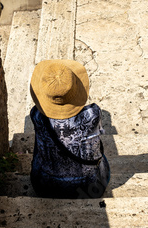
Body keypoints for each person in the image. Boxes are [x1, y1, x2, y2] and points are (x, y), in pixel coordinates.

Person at [29, 59, 110, 198]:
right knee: (102, 159)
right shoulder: (93, 114)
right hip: (89, 186)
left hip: (45, 186)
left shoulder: (36, 115)